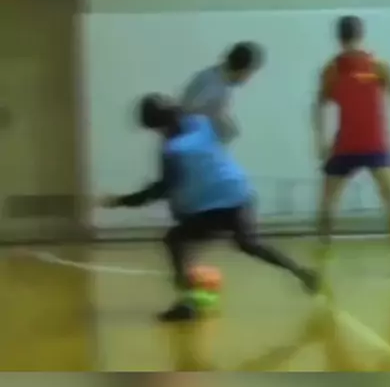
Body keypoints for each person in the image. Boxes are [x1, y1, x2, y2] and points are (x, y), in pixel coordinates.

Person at [99, 94, 319, 322]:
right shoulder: (201, 124)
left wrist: (119, 201)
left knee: (175, 239)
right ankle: (302, 273)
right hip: (240, 194)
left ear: (158, 126)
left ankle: (188, 302)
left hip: (214, 208)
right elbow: (220, 137)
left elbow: (162, 189)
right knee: (249, 243)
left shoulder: (173, 150)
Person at [312, 15, 390, 277]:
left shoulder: (376, 67)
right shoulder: (334, 70)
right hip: (346, 147)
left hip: (376, 147)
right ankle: (323, 255)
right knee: (329, 203)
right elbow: (319, 105)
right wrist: (320, 141)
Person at [180, 42, 265, 143]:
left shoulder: (219, 80)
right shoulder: (211, 83)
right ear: (243, 71)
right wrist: (218, 120)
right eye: (250, 73)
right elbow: (188, 110)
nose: (248, 79)